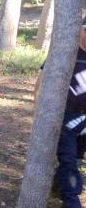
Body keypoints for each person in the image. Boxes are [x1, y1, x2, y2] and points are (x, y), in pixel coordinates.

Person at [34, 17, 86, 208]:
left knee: (76, 157)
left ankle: (58, 184)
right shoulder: (67, 51)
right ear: (80, 30)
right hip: (67, 116)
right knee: (69, 161)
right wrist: (38, 107)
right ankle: (71, 201)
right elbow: (42, 78)